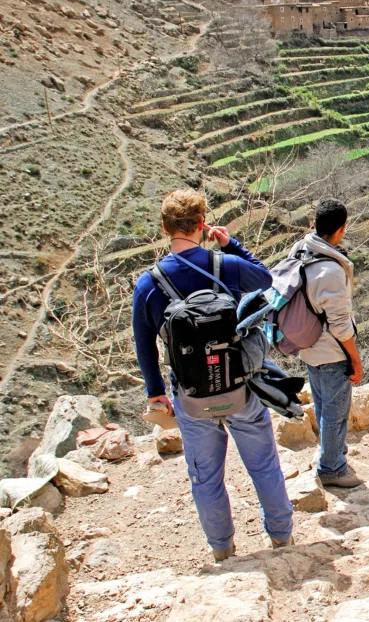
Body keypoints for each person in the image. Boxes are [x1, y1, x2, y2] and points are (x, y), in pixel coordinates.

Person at [131, 189, 293, 562]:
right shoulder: (226, 266)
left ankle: (223, 551)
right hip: (238, 386)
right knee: (263, 464)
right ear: (202, 225)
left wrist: (156, 394)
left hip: (190, 396)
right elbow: (266, 280)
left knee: (205, 477)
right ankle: (282, 541)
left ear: (164, 228)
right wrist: (231, 244)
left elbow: (145, 347)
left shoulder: (148, 284)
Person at [292, 198, 364, 489]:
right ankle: (332, 468)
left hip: (307, 344)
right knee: (335, 412)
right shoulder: (331, 271)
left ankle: (331, 455)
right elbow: (340, 324)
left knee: (323, 406)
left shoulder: (300, 250)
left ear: (315, 224)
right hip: (330, 349)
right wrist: (355, 360)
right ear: (342, 228)